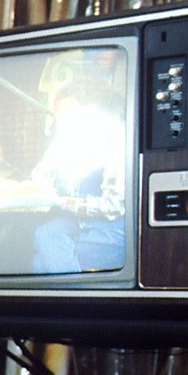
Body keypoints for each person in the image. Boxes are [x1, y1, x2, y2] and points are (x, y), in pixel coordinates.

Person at [29, 84, 127, 273]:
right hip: (84, 223)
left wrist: (63, 202)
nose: (64, 118)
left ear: (93, 108)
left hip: (116, 232)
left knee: (41, 261)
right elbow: (39, 176)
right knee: (42, 235)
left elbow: (113, 206)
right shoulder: (70, 138)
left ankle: (72, 296)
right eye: (60, 114)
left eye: (70, 110)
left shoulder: (116, 139)